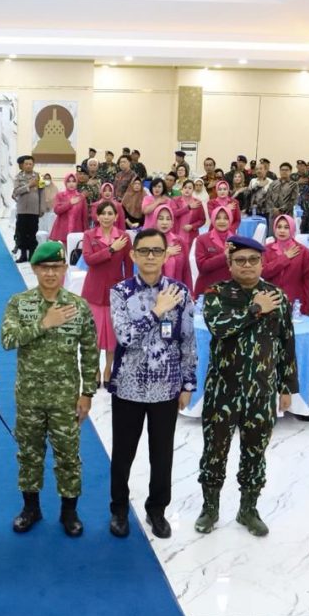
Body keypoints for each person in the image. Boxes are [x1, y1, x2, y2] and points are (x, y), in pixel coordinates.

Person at [195, 236, 297, 537]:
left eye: (254, 260)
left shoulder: (276, 296)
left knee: (256, 450)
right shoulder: (216, 293)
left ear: (263, 263)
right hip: (222, 390)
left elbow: (286, 342)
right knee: (215, 450)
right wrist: (255, 309)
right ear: (230, 264)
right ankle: (210, 508)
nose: (248, 266)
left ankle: (248, 509)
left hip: (261, 390)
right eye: (241, 260)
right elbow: (219, 327)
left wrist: (286, 386)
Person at [1, 241, 98, 537]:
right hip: (29, 396)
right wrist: (44, 323)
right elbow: (8, 339)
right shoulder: (20, 302)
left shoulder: (78, 306)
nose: (51, 273)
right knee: (29, 453)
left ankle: (69, 511)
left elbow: (90, 350)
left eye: (56, 267)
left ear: (65, 269)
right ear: (35, 269)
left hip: (65, 397)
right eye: (45, 268)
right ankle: (31, 508)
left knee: (68, 455)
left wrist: (87, 393)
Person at [108, 229, 196, 538]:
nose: (150, 257)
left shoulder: (181, 292)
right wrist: (158, 311)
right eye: (143, 251)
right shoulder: (120, 292)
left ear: (165, 254)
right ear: (132, 255)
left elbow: (187, 340)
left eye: (156, 251)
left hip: (167, 387)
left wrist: (188, 384)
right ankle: (119, 508)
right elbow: (126, 338)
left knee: (162, 454)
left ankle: (157, 509)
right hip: (128, 387)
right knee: (123, 452)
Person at [82, 201, 134, 385]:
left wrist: (128, 292)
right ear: (97, 216)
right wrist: (111, 249)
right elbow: (89, 259)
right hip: (94, 291)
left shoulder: (123, 236)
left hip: (115, 291)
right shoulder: (89, 235)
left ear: (116, 216)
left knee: (112, 336)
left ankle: (108, 369)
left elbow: (128, 266)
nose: (106, 217)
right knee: (94, 335)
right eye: (103, 213)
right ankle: (95, 369)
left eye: (110, 213)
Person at [262, 214, 309, 316]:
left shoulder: (304, 252)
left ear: (292, 229)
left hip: (295, 305)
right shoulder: (266, 250)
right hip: (271, 304)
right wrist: (285, 258)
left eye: (286, 227)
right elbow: (263, 272)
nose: (282, 231)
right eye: (279, 227)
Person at [194, 205, 235, 296]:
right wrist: (224, 256)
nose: (222, 221)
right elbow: (202, 267)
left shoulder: (237, 240)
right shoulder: (202, 239)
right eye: (218, 218)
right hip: (207, 289)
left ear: (230, 220)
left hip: (229, 291)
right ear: (213, 220)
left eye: (225, 218)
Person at [147, 205, 192, 287]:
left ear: (172, 223)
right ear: (154, 220)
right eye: (161, 218)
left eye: (168, 219)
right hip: (154, 292)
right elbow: (147, 270)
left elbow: (186, 271)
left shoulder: (180, 241)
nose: (165, 222)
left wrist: (189, 293)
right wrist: (165, 254)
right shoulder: (147, 242)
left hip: (177, 292)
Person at [12, 155, 43, 263]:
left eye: (30, 164)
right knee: (22, 233)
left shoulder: (38, 177)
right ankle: (23, 254)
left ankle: (32, 255)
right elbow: (16, 192)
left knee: (32, 233)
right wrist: (29, 185)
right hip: (22, 210)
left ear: (33, 165)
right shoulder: (18, 177)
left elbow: (41, 193)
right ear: (23, 165)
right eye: (26, 164)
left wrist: (41, 208)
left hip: (34, 210)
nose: (29, 166)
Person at [51, 172, 88, 244]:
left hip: (77, 231)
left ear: (76, 183)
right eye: (69, 181)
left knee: (74, 253)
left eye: (73, 181)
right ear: (65, 183)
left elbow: (84, 217)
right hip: (62, 231)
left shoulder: (81, 197)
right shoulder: (60, 195)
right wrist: (70, 203)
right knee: (62, 254)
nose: (71, 184)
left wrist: (85, 232)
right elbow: (57, 210)